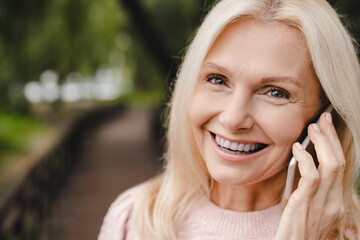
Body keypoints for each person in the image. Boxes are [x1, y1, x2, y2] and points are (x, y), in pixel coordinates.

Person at [98, 0, 360, 239]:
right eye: (217, 80)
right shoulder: (132, 221)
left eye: (275, 92)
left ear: (326, 116)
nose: (234, 119)